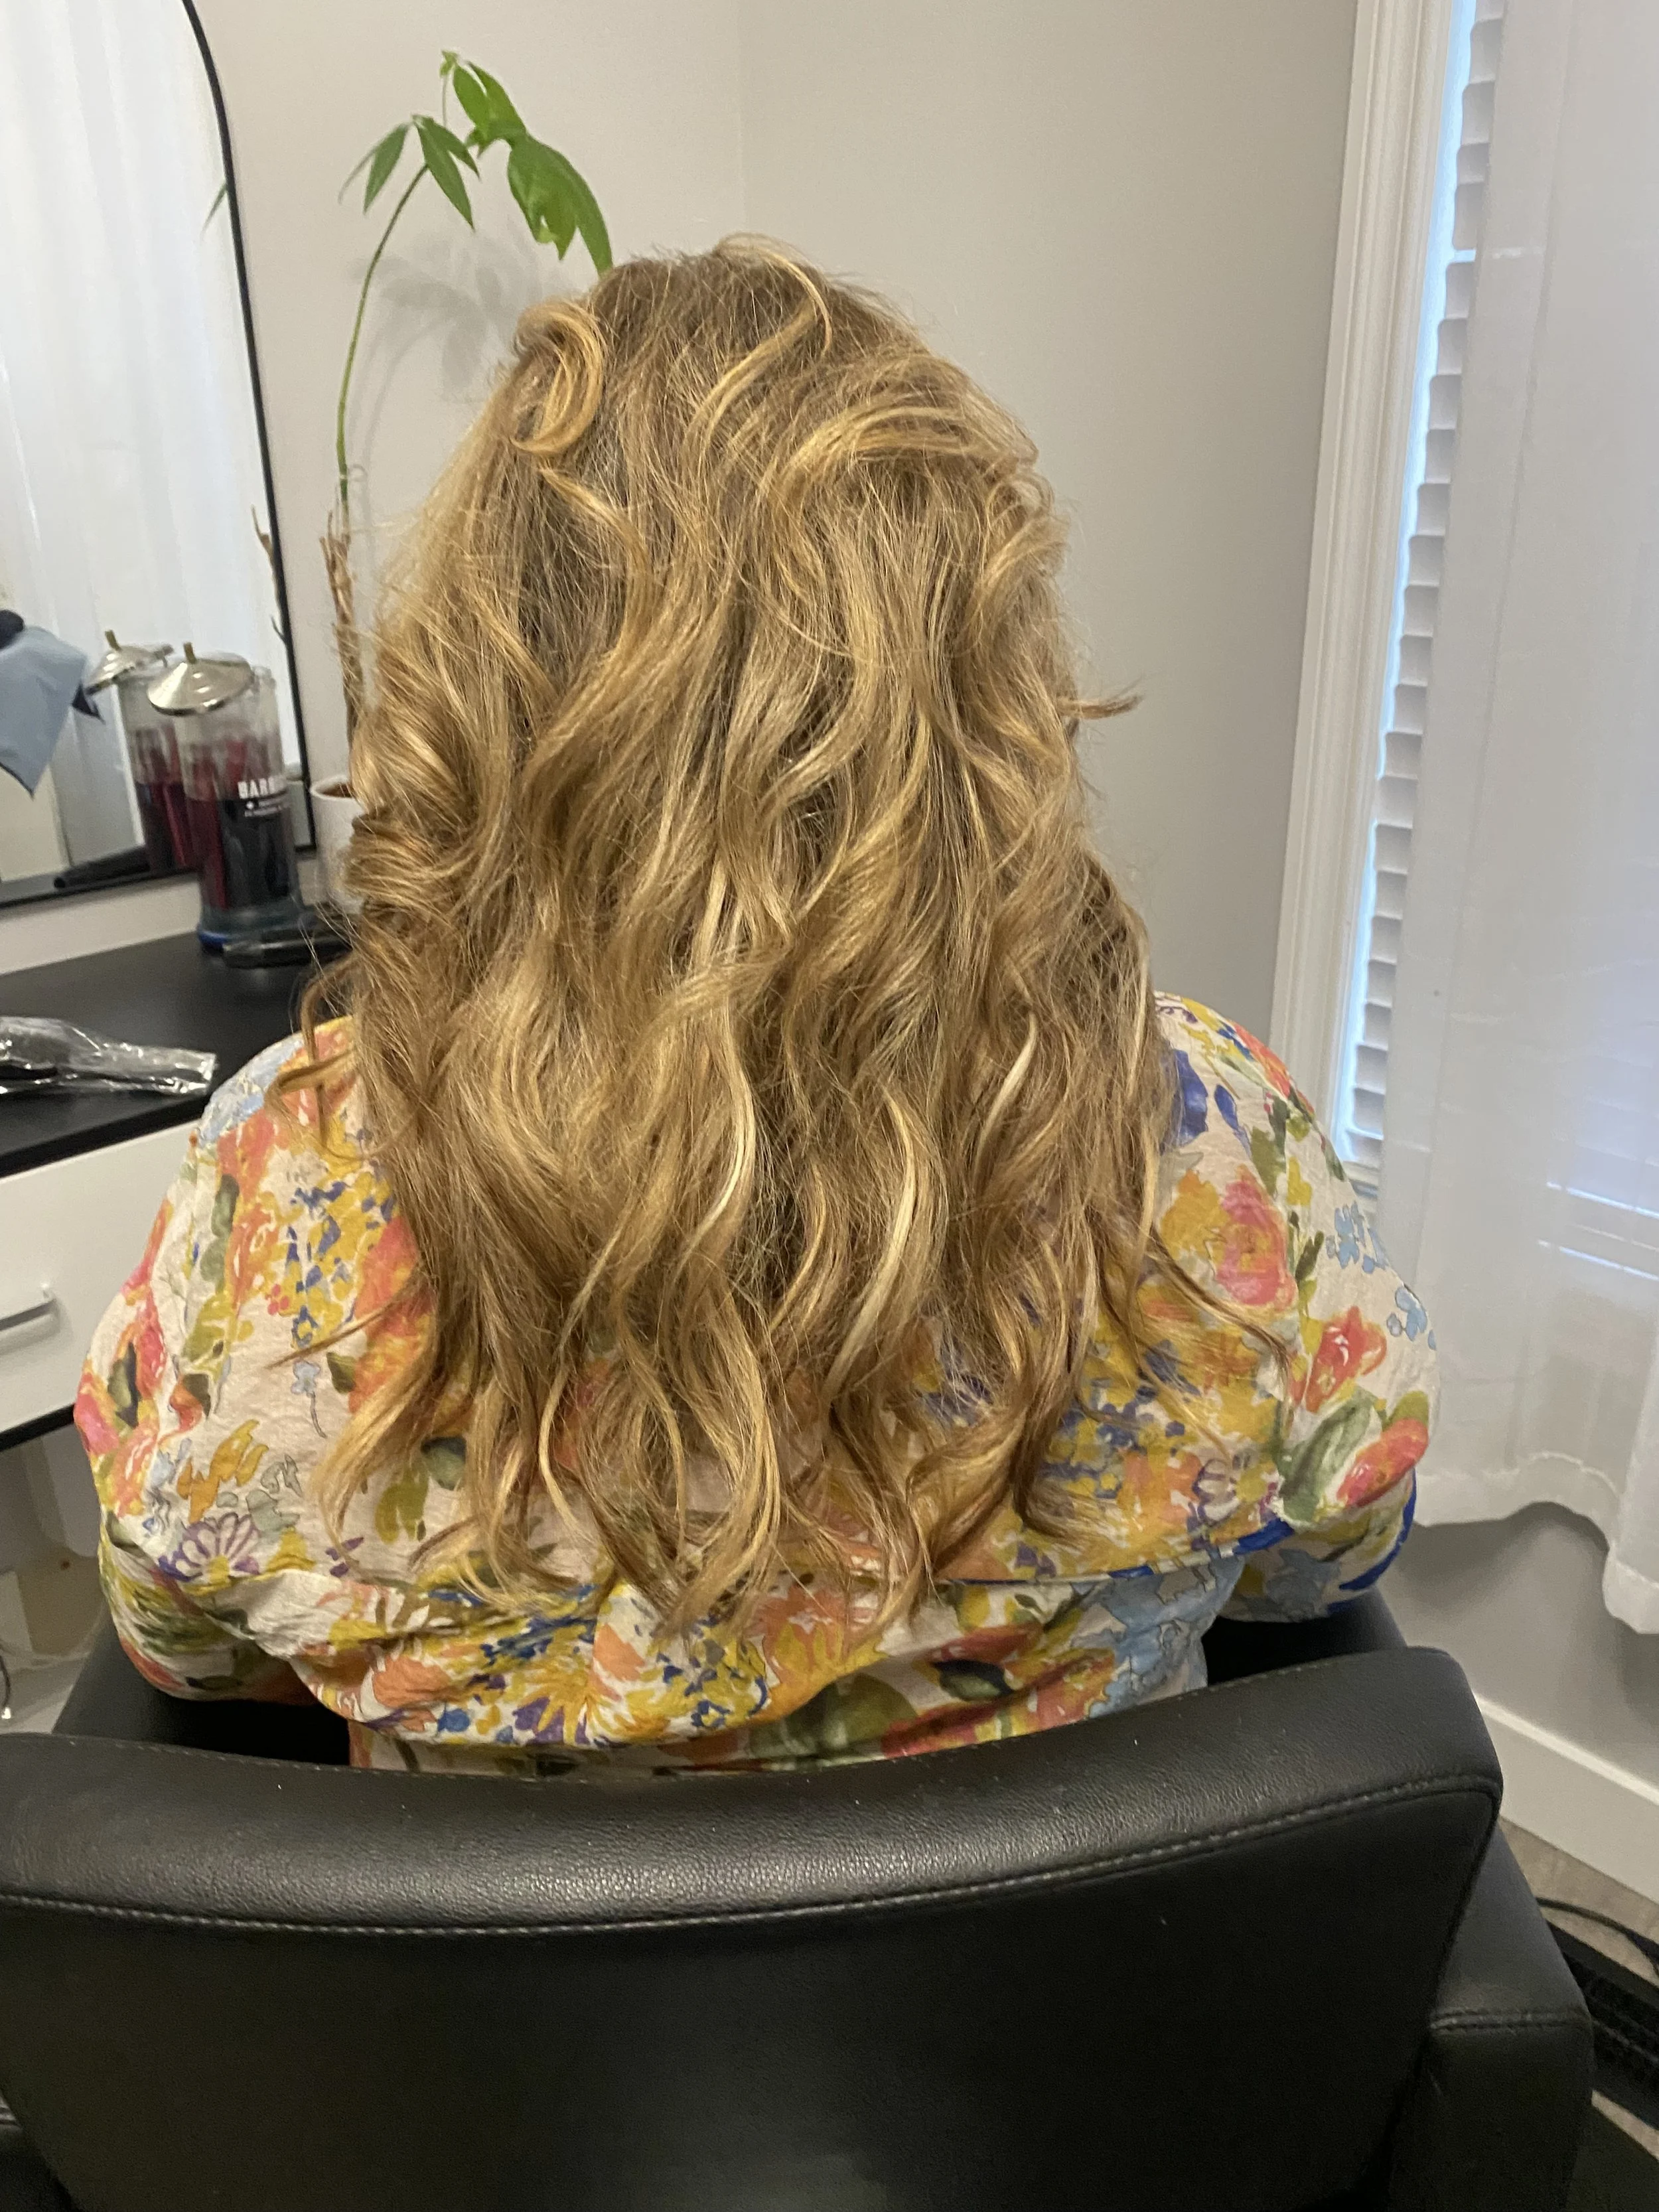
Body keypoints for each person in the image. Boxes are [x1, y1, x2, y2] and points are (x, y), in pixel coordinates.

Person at [76, 241, 1435, 1775]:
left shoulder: (284, 1183)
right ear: (978, 693)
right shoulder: (1206, 1147)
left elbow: (180, 1644)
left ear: (479, 695)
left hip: (506, 2019)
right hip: (1057, 2011)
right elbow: (1326, 1555)